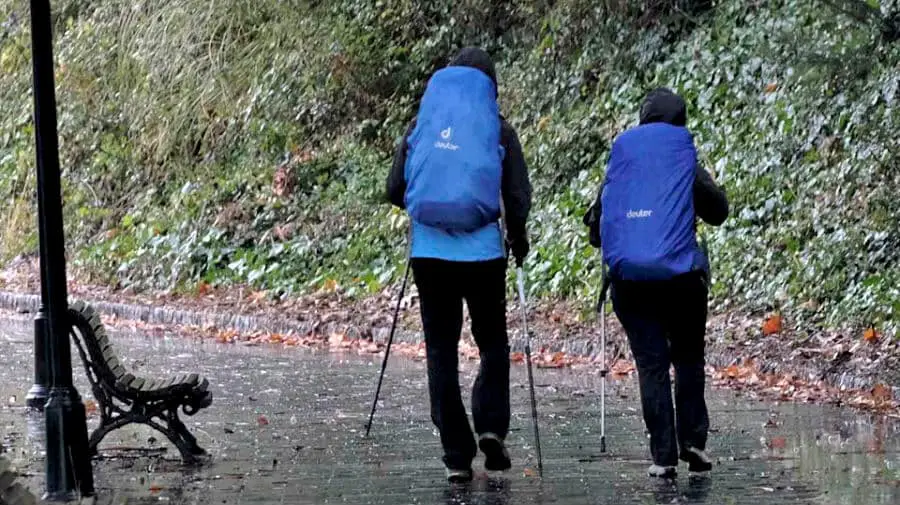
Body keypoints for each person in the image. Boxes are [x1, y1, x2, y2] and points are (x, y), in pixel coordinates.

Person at [386, 47, 532, 483]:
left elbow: (395, 187)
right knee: (491, 343)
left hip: (429, 256)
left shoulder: (422, 125)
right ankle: (490, 426)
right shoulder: (498, 130)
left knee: (441, 351)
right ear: (491, 84)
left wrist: (425, 211)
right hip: (483, 256)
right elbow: (517, 196)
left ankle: (455, 454)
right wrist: (518, 239)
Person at [583, 87, 729, 478]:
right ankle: (693, 442)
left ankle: (662, 456)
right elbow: (718, 211)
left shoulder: (623, 162)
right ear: (680, 121)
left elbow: (596, 231)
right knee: (687, 357)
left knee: (651, 363)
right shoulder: (684, 161)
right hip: (682, 280)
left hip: (630, 283)